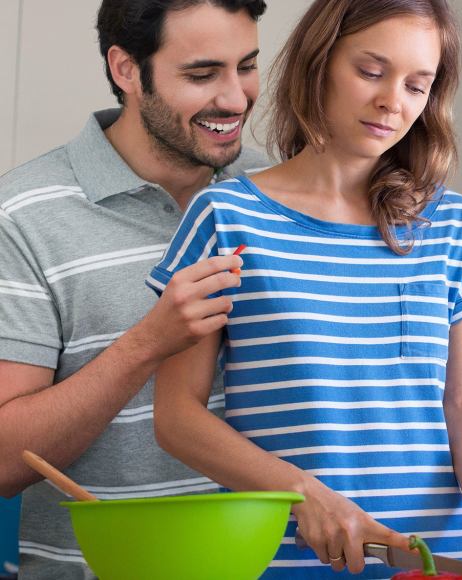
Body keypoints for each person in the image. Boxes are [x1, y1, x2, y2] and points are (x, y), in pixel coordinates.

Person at [148, 0, 462, 578]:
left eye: (417, 85)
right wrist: (304, 494)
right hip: (285, 565)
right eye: (371, 71)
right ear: (318, 64)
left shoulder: (448, 223)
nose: (392, 101)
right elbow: (176, 417)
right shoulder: (225, 218)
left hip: (432, 566)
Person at [0, 0, 269, 577]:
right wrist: (148, 342)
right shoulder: (22, 216)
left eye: (246, 65)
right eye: (201, 74)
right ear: (126, 69)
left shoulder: (279, 193)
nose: (235, 98)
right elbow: (3, 461)